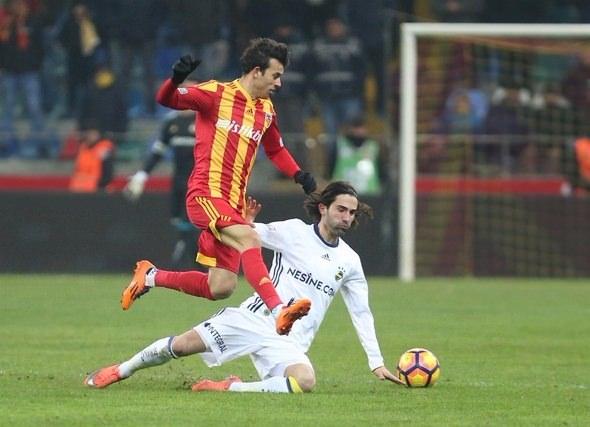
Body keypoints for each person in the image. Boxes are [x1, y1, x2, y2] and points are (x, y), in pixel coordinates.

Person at [84, 181, 405, 391]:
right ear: (323, 208)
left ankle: (229, 387)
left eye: (351, 212)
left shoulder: (350, 261)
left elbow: (361, 313)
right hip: (254, 317)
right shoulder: (294, 232)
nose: (346, 217)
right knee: (180, 346)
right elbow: (249, 235)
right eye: (341, 209)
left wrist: (375, 361)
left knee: (305, 381)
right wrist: (245, 223)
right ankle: (120, 370)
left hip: (290, 340)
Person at [120, 38, 317, 336]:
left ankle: (150, 276)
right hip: (205, 194)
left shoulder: (266, 110)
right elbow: (166, 99)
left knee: (221, 286)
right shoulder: (215, 94)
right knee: (250, 238)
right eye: (275, 75)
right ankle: (279, 310)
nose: (279, 82)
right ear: (256, 71)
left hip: (233, 204)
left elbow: (275, 149)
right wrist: (175, 79)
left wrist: (299, 174)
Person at [123, 108, 198, 267]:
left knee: (191, 221)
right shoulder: (171, 121)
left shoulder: (203, 119)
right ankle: (185, 257)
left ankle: (190, 263)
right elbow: (158, 151)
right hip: (178, 180)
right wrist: (142, 174)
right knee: (177, 219)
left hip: (198, 181)